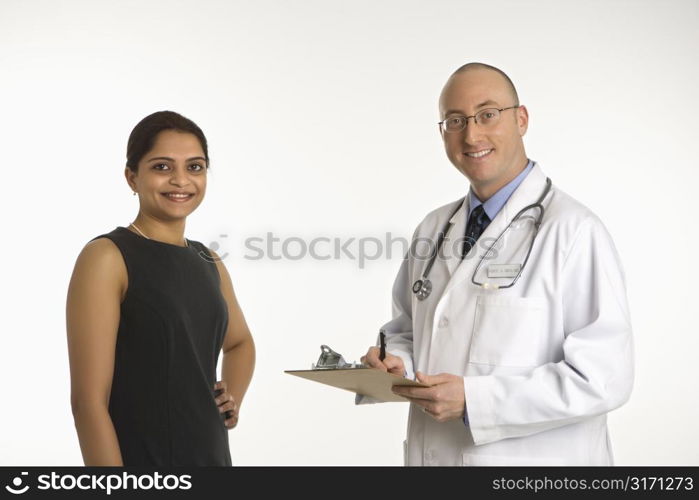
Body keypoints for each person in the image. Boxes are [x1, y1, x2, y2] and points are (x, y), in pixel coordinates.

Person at [361, 63, 634, 466]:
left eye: (487, 114)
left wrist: (475, 400)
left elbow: (603, 379)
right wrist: (398, 361)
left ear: (521, 119)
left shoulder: (574, 231)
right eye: (455, 121)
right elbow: (409, 329)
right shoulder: (433, 228)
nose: (471, 135)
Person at [66, 111, 255, 466]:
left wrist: (232, 397)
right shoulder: (107, 257)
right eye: (162, 167)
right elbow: (88, 403)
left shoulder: (208, 259)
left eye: (195, 167)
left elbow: (240, 343)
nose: (181, 180)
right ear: (131, 177)